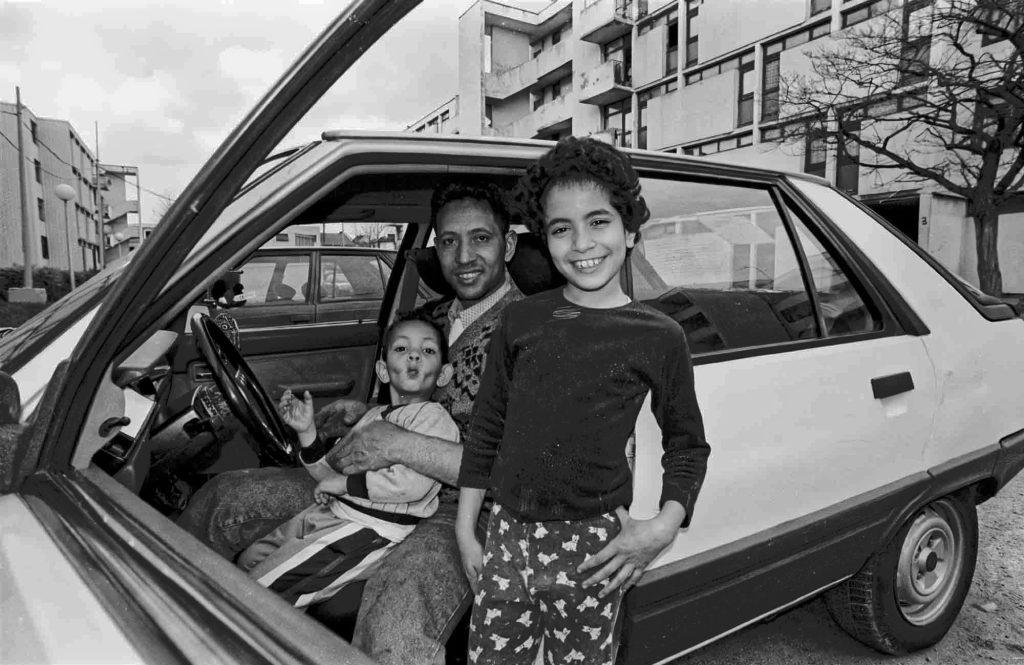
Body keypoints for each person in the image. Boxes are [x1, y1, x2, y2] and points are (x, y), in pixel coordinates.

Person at [177, 179, 524, 664]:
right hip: (367, 484)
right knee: (223, 499)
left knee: (394, 627)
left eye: (480, 238)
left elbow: (522, 471)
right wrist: (365, 416)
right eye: (449, 241)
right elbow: (413, 400)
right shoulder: (431, 316)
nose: (463, 256)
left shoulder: (533, 333)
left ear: (509, 244)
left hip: (463, 510)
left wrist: (400, 444)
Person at [454, 136, 711, 664]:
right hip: (505, 535)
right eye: (561, 228)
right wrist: (465, 528)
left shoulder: (659, 336)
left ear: (629, 229)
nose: (581, 243)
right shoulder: (521, 320)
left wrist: (663, 526)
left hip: (593, 547)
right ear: (544, 239)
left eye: (598, 221)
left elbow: (687, 445)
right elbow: (487, 428)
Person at [236, 314, 459, 610]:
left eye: (427, 350)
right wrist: (307, 432)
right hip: (333, 513)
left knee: (257, 593)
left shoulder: (434, 420)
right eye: (402, 348)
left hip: (369, 530)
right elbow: (331, 472)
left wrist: (343, 484)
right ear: (382, 370)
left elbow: (410, 485)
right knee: (248, 560)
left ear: (443, 374)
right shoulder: (373, 416)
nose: (414, 355)